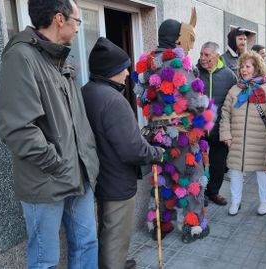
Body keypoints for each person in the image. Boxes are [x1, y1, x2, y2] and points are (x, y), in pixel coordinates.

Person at [0, 0, 100, 268]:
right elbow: (17, 128)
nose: (79, 28)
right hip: (46, 180)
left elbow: (76, 120)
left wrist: (84, 157)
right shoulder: (21, 56)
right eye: (77, 21)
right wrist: (56, 162)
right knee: (45, 260)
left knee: (87, 243)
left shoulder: (62, 58)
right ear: (59, 19)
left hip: (79, 173)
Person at [82, 37, 164, 269]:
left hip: (100, 174)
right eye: (122, 68)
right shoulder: (113, 100)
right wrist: (155, 152)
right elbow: (132, 149)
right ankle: (114, 264)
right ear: (110, 71)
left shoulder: (87, 91)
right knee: (116, 231)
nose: (127, 73)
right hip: (117, 179)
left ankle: (115, 261)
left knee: (108, 228)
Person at [134, 9, 214, 244]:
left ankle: (159, 224)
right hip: (181, 135)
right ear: (177, 37)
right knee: (192, 178)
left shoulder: (148, 65)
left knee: (163, 180)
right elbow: (196, 101)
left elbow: (143, 100)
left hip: (157, 136)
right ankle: (193, 226)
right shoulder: (179, 64)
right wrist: (205, 118)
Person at [219, 51, 266, 216]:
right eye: (242, 66)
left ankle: (265, 201)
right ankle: (236, 201)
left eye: (248, 66)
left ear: (257, 68)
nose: (244, 70)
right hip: (237, 139)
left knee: (262, 171)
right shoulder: (234, 90)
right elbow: (225, 113)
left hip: (260, 139)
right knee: (236, 170)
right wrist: (226, 134)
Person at [197, 41, 237, 206]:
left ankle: (213, 192)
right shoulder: (194, 72)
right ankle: (199, 193)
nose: (202, 58)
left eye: (207, 55)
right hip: (198, 130)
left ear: (216, 56)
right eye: (201, 54)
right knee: (197, 164)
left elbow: (235, 102)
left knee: (218, 165)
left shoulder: (229, 75)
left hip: (219, 129)